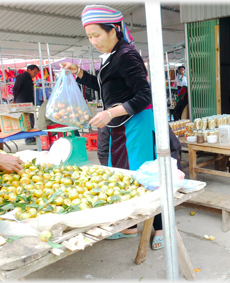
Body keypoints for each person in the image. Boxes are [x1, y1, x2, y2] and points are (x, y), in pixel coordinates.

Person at [61, 4, 163, 249]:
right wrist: (78, 72)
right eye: (89, 37)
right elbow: (103, 85)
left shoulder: (126, 55)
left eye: (97, 35)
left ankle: (159, 228)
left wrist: (109, 112)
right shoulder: (111, 56)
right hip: (121, 125)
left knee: (145, 177)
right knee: (124, 176)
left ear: (114, 30)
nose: (93, 41)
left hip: (136, 124)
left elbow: (144, 96)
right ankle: (130, 225)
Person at [12, 64, 40, 144]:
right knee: (27, 120)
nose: (35, 75)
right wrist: (14, 99)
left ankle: (30, 137)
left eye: (36, 73)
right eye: (34, 72)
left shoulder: (27, 78)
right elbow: (16, 88)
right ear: (29, 70)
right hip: (23, 102)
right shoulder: (22, 77)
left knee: (30, 119)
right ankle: (28, 139)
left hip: (27, 102)